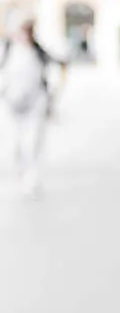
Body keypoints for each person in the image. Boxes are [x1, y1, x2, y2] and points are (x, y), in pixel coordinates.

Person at [1, 20, 55, 196]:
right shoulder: (8, 50)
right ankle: (21, 172)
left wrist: (50, 101)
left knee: (33, 142)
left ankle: (32, 178)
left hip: (36, 103)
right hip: (13, 104)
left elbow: (54, 69)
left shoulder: (38, 51)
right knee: (17, 143)